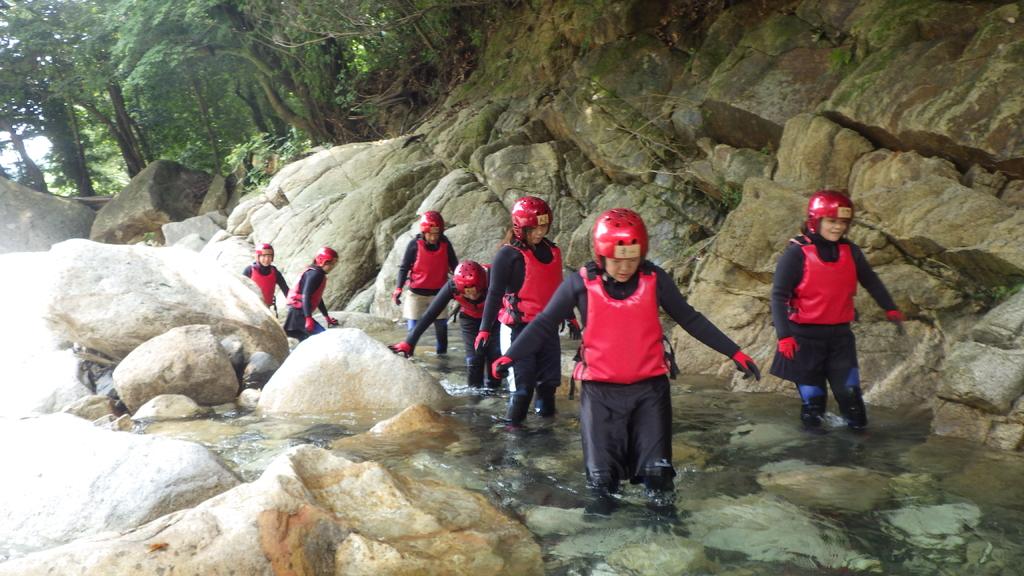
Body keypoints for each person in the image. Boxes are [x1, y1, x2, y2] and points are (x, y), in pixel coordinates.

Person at [490, 208, 761, 514]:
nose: (624, 267)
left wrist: (734, 352)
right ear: (601, 255)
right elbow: (543, 324)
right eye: (617, 259)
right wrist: (510, 356)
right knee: (603, 488)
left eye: (632, 259)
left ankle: (669, 545)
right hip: (599, 396)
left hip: (650, 394)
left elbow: (690, 319)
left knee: (659, 484)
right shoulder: (579, 284)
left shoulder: (654, 279)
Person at [769, 190, 904, 431]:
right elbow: (778, 296)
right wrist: (784, 336)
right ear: (815, 221)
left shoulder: (850, 251)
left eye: (843, 223)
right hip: (803, 341)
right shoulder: (795, 254)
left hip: (840, 340)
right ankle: (813, 463)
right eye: (832, 221)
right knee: (814, 408)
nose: (838, 228)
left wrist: (890, 308)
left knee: (853, 405)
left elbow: (870, 280)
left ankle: (859, 461)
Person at [476, 196, 581, 427]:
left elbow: (557, 288)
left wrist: (569, 315)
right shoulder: (508, 254)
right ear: (520, 227)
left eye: (543, 227)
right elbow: (494, 294)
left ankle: (545, 442)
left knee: (547, 387)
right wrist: (484, 329)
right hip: (517, 329)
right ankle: (513, 446)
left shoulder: (553, 251)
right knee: (522, 391)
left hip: (547, 329)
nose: (539, 233)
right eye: (533, 228)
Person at [388, 260, 502, 388]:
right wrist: (409, 342)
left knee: (494, 357)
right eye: (468, 293)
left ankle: (495, 392)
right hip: (470, 319)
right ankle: (475, 399)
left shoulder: (495, 277)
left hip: (496, 318)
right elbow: (431, 313)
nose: (473, 296)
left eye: (476, 291)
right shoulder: (452, 286)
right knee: (474, 360)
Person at [392, 211, 458, 355]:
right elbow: (404, 268)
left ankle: (443, 362)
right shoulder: (414, 245)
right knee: (412, 332)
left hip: (439, 295)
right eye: (430, 234)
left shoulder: (445, 244)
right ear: (423, 231)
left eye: (437, 233)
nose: (434, 237)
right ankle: (409, 358)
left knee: (441, 331)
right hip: (416, 295)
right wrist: (398, 288)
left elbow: (455, 265)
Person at [283, 246, 339, 341]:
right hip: (298, 313)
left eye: (334, 264)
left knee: (304, 340)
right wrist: (308, 318)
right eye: (331, 264)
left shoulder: (318, 273)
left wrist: (326, 316)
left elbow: (317, 298)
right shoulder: (315, 275)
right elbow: (306, 296)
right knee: (323, 338)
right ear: (323, 262)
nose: (333, 267)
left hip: (298, 311)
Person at [242, 243, 289, 311]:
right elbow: (239, 289)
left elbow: (286, 290)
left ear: (272, 257)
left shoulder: (275, 272)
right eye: (263, 256)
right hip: (250, 307)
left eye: (269, 256)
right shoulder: (249, 270)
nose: (267, 259)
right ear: (258, 257)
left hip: (266, 309)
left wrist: (293, 303)